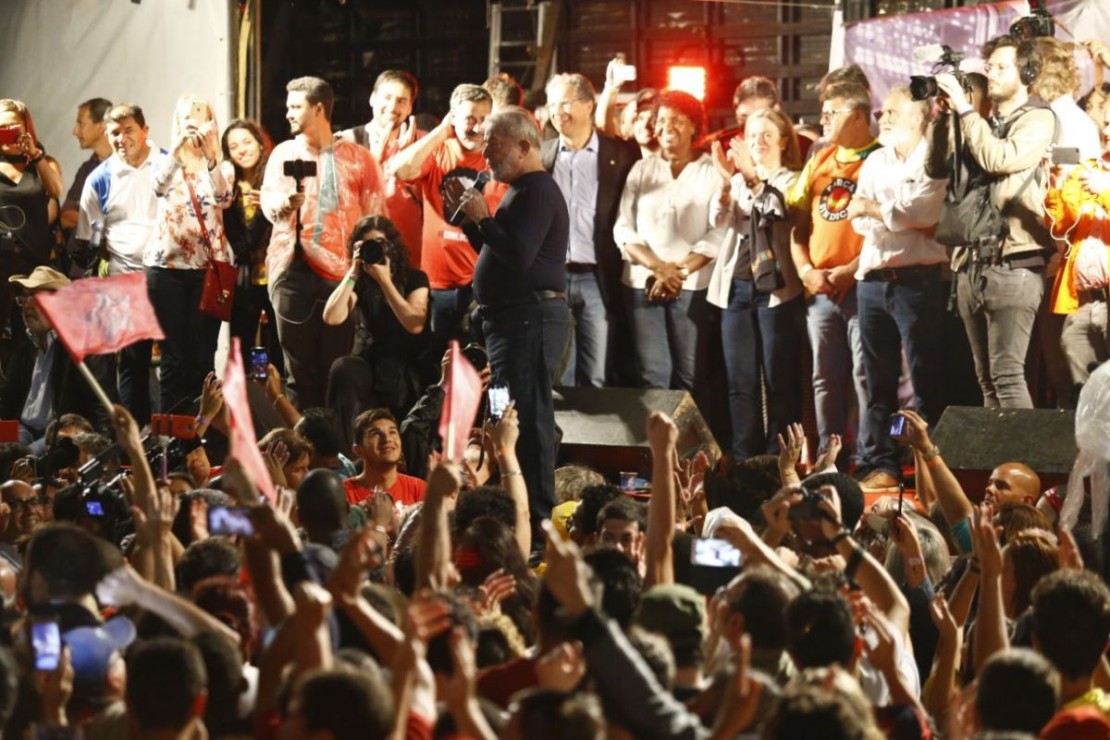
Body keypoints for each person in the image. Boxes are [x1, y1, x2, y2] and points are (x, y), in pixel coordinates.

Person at [450, 105, 571, 546]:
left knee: (530, 420)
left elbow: (519, 257)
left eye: (492, 145)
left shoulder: (537, 190)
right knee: (507, 418)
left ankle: (538, 523)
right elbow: (503, 253)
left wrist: (484, 217)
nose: (484, 155)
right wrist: (473, 225)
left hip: (529, 322)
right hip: (507, 326)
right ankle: (516, 507)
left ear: (524, 144)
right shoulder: (522, 190)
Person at [935, 35, 1057, 408]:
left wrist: (966, 111)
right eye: (990, 67)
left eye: (1002, 67)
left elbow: (998, 159)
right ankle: (995, 466)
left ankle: (1025, 466)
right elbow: (937, 167)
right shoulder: (979, 123)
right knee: (985, 381)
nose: (992, 73)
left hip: (1014, 262)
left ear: (1027, 72)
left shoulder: (1039, 119)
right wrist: (943, 120)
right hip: (971, 262)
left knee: (1007, 374)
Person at [260, 76, 386, 409]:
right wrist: (284, 204)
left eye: (295, 107)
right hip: (290, 270)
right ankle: (301, 449)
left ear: (319, 109)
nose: (287, 113)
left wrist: (368, 273)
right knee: (297, 370)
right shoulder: (283, 153)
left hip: (341, 276)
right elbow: (268, 201)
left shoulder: (358, 158)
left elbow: (376, 217)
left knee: (338, 366)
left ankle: (336, 448)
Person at [847, 86, 947, 488]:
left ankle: (931, 469)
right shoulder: (875, 161)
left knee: (926, 382)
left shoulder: (935, 160)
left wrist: (880, 211)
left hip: (917, 283)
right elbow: (855, 216)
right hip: (873, 282)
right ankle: (882, 464)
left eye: (890, 112)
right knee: (877, 383)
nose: (881, 118)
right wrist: (895, 217)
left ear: (917, 116)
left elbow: (926, 213)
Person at [788, 81, 880, 471]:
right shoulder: (819, 159)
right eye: (822, 112)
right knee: (824, 377)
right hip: (819, 288)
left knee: (865, 375)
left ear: (858, 115)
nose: (823, 119)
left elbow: (887, 227)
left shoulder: (880, 158)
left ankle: (865, 455)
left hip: (862, 285)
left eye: (832, 112)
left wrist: (850, 271)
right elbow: (796, 226)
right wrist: (806, 271)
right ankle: (829, 454)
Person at [707, 108, 805, 460]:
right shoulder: (737, 181)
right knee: (740, 383)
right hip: (736, 288)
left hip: (776, 290)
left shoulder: (791, 179)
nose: (757, 142)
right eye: (751, 136)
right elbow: (719, 222)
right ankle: (745, 456)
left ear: (783, 140)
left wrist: (752, 178)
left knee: (779, 381)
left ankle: (779, 458)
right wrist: (724, 183)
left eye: (766, 135)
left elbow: (777, 213)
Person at [613, 89, 726, 395]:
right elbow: (623, 228)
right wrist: (659, 268)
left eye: (676, 120)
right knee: (653, 376)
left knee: (690, 376)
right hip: (641, 284)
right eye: (661, 120)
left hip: (692, 287)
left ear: (694, 126)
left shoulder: (711, 171)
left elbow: (719, 231)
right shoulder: (641, 168)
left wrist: (679, 271)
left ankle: (690, 444)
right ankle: (658, 444)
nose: (666, 127)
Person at [388, 83, 507, 360]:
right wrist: (442, 131)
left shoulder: (497, 158)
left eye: (483, 119)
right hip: (438, 284)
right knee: (436, 365)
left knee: (482, 365)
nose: (476, 127)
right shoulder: (442, 150)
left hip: (482, 285)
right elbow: (400, 170)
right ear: (453, 117)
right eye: (468, 118)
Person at [541, 73, 639, 388]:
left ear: (588, 105)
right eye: (552, 104)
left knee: (595, 374)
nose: (558, 111)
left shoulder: (620, 156)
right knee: (558, 375)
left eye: (566, 103)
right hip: (552, 280)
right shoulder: (541, 156)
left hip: (599, 279)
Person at [76, 103, 171, 424]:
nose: (121, 138)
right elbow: (89, 238)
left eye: (128, 130)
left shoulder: (168, 164)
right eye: (114, 132)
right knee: (132, 364)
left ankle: (180, 439)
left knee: (177, 361)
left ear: (145, 130)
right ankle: (138, 441)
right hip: (125, 281)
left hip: (172, 277)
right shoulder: (99, 178)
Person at [147, 95, 233, 414]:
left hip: (207, 271)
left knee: (202, 354)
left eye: (200, 118)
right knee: (172, 354)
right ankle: (172, 430)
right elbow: (157, 187)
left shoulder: (221, 167)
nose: (193, 124)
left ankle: (203, 427)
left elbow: (224, 198)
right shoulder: (163, 161)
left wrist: (211, 157)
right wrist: (179, 149)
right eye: (186, 118)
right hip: (166, 268)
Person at [322, 215, 430, 447]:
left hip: (402, 363)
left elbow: (414, 323)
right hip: (368, 361)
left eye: (380, 243)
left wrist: (385, 282)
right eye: (368, 245)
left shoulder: (414, 278)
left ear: (392, 247)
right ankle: (343, 456)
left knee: (397, 379)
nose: (376, 250)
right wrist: (352, 273)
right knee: (344, 368)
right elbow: (332, 317)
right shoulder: (360, 282)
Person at [0, 267, 114, 449]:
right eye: (24, 298)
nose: (27, 305)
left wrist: (103, 453)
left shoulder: (85, 347)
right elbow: (7, 399)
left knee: (23, 459)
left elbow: (100, 408)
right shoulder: (27, 346)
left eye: (35, 298)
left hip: (59, 434)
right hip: (23, 430)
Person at [1043, 100, 1110, 397]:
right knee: (1083, 392)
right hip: (1083, 300)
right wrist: (1055, 184)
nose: (1107, 130)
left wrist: (1105, 191)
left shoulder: (1098, 178)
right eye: (1105, 123)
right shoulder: (1090, 169)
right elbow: (1060, 225)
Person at [336, 70, 426, 266]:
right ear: (372, 99)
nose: (392, 106)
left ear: (410, 107)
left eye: (401, 101)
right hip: (358, 256)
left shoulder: (422, 143)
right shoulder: (347, 142)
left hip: (408, 257)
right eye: (387, 98)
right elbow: (336, 199)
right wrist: (374, 159)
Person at [0, 99, 64, 340]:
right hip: (1, 263)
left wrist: (34, 154)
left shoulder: (40, 161)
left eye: (13, 127)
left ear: (26, 127)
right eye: (1, 128)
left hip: (34, 266)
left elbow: (56, 190)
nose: (7, 134)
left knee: (31, 338)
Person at [221, 118, 280, 374]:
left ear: (260, 143)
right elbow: (238, 240)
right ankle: (249, 394)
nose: (242, 149)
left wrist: (266, 204)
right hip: (245, 276)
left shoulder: (274, 179)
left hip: (275, 272)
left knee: (276, 343)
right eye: (234, 146)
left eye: (247, 142)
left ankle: (273, 394)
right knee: (243, 344)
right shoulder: (228, 186)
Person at [343, 408, 426, 508]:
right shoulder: (342, 493)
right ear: (358, 450)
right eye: (376, 433)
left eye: (392, 432)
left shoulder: (418, 488)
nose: (387, 439)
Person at [60, 97, 113, 237]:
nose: (75, 131)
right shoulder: (86, 169)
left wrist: (83, 217)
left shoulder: (126, 167)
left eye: (80, 123)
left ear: (101, 126)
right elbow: (65, 215)